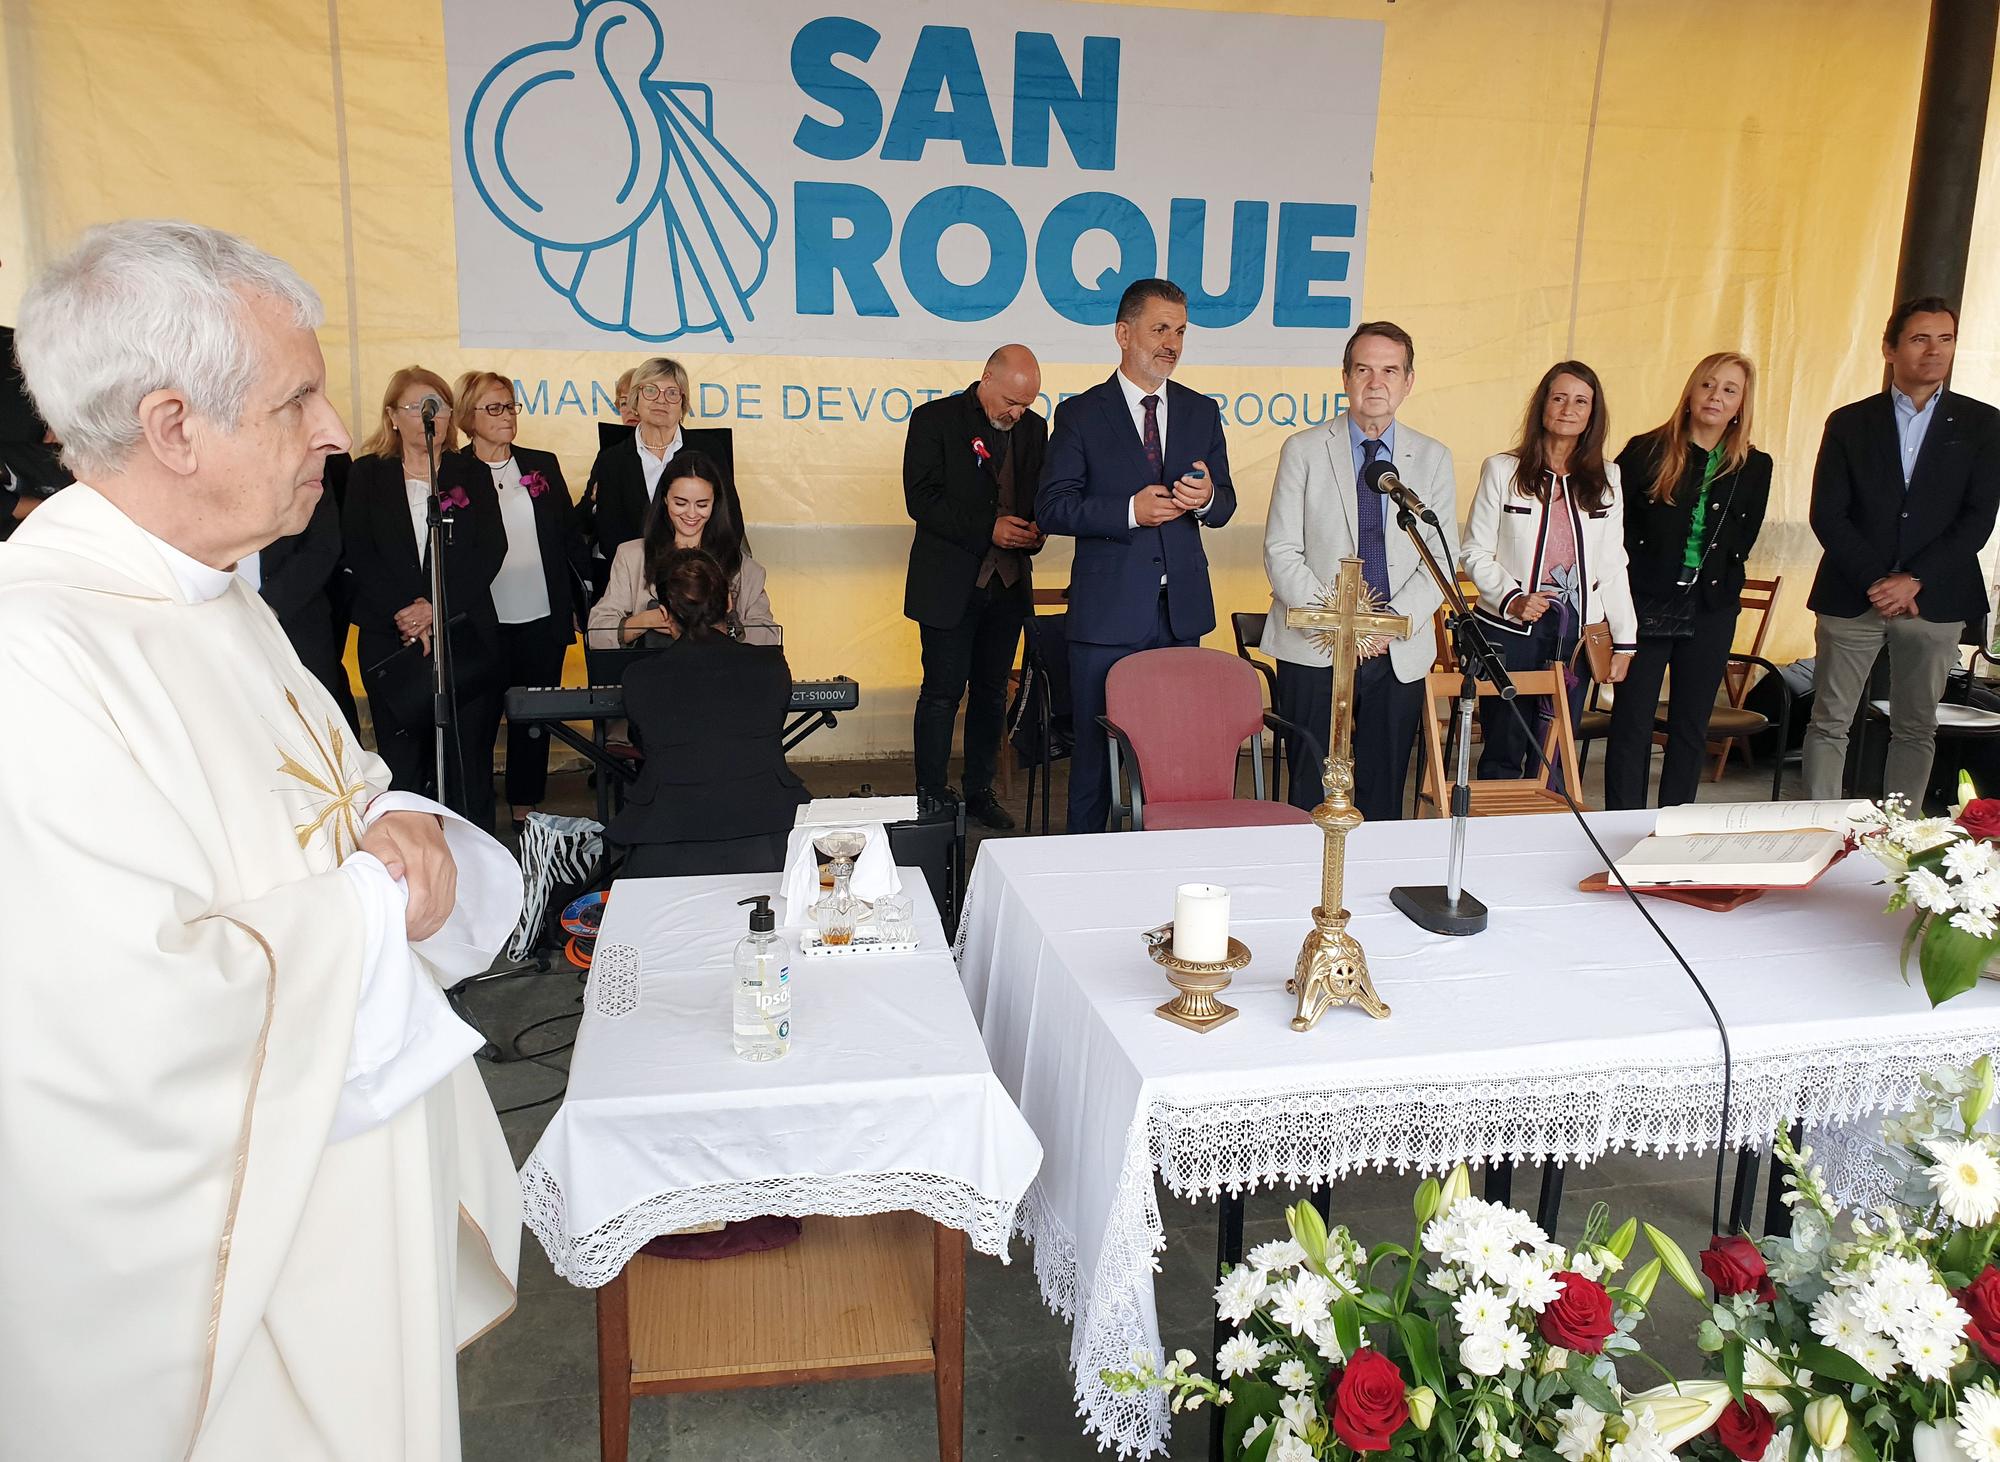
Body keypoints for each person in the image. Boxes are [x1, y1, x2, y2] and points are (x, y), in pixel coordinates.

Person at [0, 219, 520, 1460]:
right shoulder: (38, 654)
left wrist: (399, 819)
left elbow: (335, 790)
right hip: (233, 1279)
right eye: (299, 402)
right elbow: (115, 1024)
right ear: (174, 427)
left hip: (348, 1185)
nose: (337, 429)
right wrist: (366, 906)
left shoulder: (217, 589)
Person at [1036, 278, 1236, 834]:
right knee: (1097, 766)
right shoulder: (1080, 414)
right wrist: (1128, 511)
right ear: (1124, 334)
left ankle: (1169, 876)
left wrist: (1208, 498)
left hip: (1181, 614)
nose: (1171, 343)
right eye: (1159, 329)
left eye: (1180, 331)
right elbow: (1053, 507)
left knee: (1176, 760)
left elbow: (1225, 503)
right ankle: (1081, 882)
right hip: (1108, 616)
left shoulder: (1200, 410)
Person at [1800, 298, 2000, 806]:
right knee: (1829, 723)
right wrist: (1879, 580)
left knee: (1916, 727)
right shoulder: (1849, 422)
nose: (1934, 351)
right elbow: (1828, 513)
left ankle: (1899, 839)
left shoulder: (1983, 424)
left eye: (1945, 339)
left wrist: (1914, 579)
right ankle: (1819, 828)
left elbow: (1977, 519)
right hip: (1852, 593)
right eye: (1919, 339)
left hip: (1935, 597)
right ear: (1889, 349)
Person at [1263, 321, 1457, 819]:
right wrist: (1342, 623)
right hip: (1316, 645)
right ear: (1345, 377)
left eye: (1390, 370)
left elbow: (1441, 557)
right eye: (1364, 369)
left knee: (1383, 786)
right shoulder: (1303, 449)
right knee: (1311, 783)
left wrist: (1382, 626)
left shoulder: (1432, 457)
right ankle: (1306, 888)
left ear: (1409, 380)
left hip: (1396, 650)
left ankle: (1374, 891)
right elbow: (1282, 550)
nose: (1376, 382)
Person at [1604, 354, 1773, 810]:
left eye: (1729, 390)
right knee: (1633, 721)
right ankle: (1621, 821)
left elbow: (1745, 537)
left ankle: (1675, 824)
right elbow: (1612, 531)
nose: (1716, 397)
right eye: (1708, 385)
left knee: (1690, 725)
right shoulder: (1645, 451)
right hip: (1644, 602)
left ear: (1741, 403)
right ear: (1691, 392)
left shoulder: (1754, 466)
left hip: (1712, 606)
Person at [341, 367, 506, 831]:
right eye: (414, 407)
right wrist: (407, 614)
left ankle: (475, 863)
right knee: (403, 761)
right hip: (390, 636)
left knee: (467, 759)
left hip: (462, 633)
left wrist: (438, 607)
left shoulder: (468, 471)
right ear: (392, 416)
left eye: (436, 405)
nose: (425, 416)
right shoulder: (367, 474)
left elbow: (491, 548)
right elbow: (357, 551)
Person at [1462, 360, 1635, 785]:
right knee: (1504, 745)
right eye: (1559, 398)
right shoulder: (1502, 469)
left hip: (1573, 634)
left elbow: (1613, 564)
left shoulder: (1608, 477)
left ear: (1593, 414)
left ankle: (1547, 835)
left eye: (1581, 401)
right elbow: (1473, 551)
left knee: (1555, 752)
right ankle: (1495, 839)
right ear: (1542, 405)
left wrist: (1625, 642)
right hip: (1510, 629)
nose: (1568, 409)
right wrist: (1512, 596)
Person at [902, 344, 1047, 829]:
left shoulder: (1034, 429)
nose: (1017, 412)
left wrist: (1035, 529)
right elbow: (921, 500)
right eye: (1011, 401)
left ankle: (979, 790)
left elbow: (1037, 496)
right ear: (986, 376)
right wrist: (989, 527)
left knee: (990, 693)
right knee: (942, 692)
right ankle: (930, 794)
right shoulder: (934, 420)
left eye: (1026, 404)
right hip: (948, 584)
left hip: (1007, 586)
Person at [607, 548, 809, 877]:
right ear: (729, 604)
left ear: (664, 613)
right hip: (768, 836)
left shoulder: (640, 677)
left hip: (667, 839)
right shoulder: (771, 666)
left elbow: (644, 744)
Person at [452, 369, 584, 830]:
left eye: (510, 406)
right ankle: (476, 809)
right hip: (482, 620)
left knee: (534, 719)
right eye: (494, 407)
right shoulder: (453, 471)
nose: (506, 416)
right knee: (480, 720)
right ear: (469, 416)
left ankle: (527, 803)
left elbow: (567, 536)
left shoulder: (540, 464)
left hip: (541, 614)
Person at [587, 448, 779, 648]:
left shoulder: (743, 568)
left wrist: (725, 624)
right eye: (681, 503)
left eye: (702, 504)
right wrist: (643, 621)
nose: (691, 513)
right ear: (664, 499)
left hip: (721, 674)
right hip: (652, 674)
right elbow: (597, 633)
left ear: (716, 503)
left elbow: (769, 635)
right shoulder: (632, 557)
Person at [244, 483, 359, 732]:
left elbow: (323, 545)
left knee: (319, 724)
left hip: (297, 620)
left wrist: (269, 605)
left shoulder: (303, 468)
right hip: (217, 620)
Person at [587, 355, 688, 564]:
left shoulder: (708, 451)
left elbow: (728, 524)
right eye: (651, 390)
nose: (661, 400)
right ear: (635, 398)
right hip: (633, 581)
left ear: (683, 402)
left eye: (672, 393)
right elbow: (610, 539)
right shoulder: (611, 460)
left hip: (696, 579)